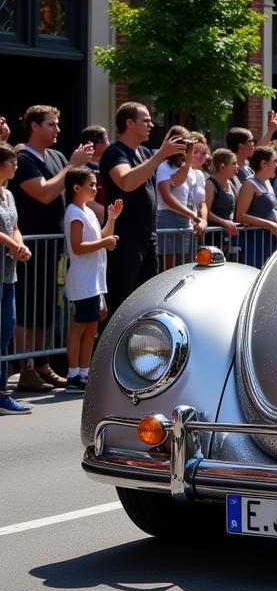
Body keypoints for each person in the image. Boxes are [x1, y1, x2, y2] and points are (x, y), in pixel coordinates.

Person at [11, 105, 94, 391]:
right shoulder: (23, 159)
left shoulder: (57, 156)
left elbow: (71, 191)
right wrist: (72, 165)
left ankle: (43, 362)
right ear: (34, 126)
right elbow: (45, 193)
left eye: (57, 124)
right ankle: (26, 368)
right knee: (28, 308)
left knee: (46, 306)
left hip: (55, 246)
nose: (57, 129)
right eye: (51, 124)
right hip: (30, 246)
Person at [100, 102, 188, 320]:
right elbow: (126, 182)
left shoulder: (143, 152)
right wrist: (159, 156)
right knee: (121, 305)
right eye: (145, 120)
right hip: (125, 241)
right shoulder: (114, 153)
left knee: (145, 304)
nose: (152, 124)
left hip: (148, 239)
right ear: (129, 123)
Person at [63, 167, 123, 392]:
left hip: (94, 280)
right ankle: (73, 374)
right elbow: (78, 247)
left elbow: (102, 236)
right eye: (90, 184)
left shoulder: (86, 211)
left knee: (91, 328)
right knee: (80, 327)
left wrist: (112, 218)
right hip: (83, 280)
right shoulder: (74, 212)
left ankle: (84, 372)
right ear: (76, 187)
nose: (95, 188)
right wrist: (103, 244)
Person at [0, 143, 33, 414]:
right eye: (13, 162)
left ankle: (1, 392)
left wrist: (19, 244)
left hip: (8, 274)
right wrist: (13, 244)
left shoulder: (8, 195)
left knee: (6, 329)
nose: (16, 167)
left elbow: (15, 226)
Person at [156, 125, 204, 269]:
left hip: (185, 222)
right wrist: (192, 215)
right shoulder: (164, 166)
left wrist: (188, 159)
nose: (185, 147)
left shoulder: (187, 168)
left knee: (185, 266)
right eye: (182, 143)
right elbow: (166, 196)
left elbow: (181, 182)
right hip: (168, 220)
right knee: (168, 269)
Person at [235, 146, 277, 268]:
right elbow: (240, 216)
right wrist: (269, 224)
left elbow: (272, 210)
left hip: (271, 239)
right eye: (274, 161)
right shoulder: (249, 184)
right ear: (264, 163)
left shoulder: (268, 182)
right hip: (254, 241)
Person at [205, 148, 240, 250]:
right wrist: (224, 223)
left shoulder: (231, 183)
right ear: (222, 166)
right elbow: (205, 212)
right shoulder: (210, 184)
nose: (237, 166)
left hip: (229, 237)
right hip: (212, 239)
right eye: (234, 163)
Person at [80, 125, 110, 223]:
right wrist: (109, 214)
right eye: (106, 139)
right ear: (95, 144)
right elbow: (85, 199)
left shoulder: (104, 166)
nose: (109, 144)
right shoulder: (81, 168)